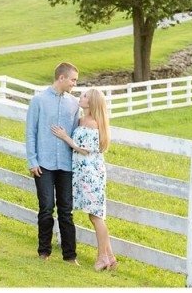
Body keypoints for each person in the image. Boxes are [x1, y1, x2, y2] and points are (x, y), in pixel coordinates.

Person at [51, 88, 117, 271]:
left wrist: (65, 137)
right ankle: (110, 257)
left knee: (96, 216)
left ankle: (102, 257)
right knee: (94, 215)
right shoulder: (82, 120)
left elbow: (84, 150)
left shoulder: (94, 123)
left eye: (85, 96)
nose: (81, 97)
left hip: (92, 174)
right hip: (82, 174)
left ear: (93, 102)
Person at [26, 61, 81, 264]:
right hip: (44, 164)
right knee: (46, 207)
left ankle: (70, 256)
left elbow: (75, 134)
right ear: (61, 78)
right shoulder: (38, 101)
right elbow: (30, 132)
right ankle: (44, 252)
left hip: (66, 165)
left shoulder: (74, 104)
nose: (75, 84)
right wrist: (32, 160)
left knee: (66, 210)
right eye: (73, 80)